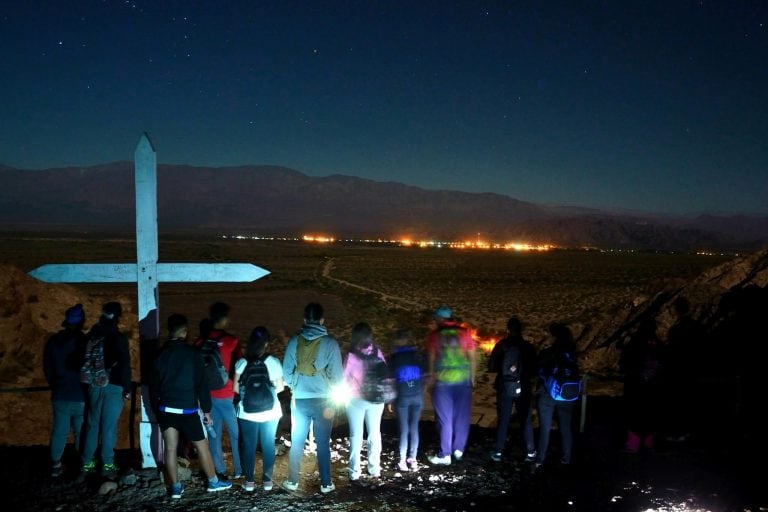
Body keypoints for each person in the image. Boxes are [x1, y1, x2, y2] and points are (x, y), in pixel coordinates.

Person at [152, 313, 232, 498]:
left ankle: (175, 488)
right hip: (188, 409)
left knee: (170, 448)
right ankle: (213, 481)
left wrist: (158, 407)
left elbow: (154, 385)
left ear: (169, 331)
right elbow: (202, 385)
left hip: (166, 408)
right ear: (185, 332)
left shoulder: (160, 355)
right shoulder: (193, 354)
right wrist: (207, 410)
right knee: (202, 446)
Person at [281, 302, 343, 494]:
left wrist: (296, 386)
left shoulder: (294, 341)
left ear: (305, 320)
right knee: (323, 442)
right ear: (322, 320)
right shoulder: (331, 343)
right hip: (324, 401)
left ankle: (292, 481)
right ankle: (325, 483)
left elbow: (286, 372)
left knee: (297, 440)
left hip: (300, 399)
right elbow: (337, 376)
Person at [81, 301, 131, 476]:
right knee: (109, 427)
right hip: (114, 386)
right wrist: (127, 387)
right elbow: (125, 364)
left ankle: (87, 463)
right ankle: (107, 464)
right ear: (118, 317)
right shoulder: (119, 337)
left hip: (94, 384)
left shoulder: (92, 335)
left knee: (92, 425)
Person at [233, 326, 284, 492]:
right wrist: (266, 393)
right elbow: (280, 387)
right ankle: (267, 482)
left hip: (247, 412)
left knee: (249, 445)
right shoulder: (273, 362)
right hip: (271, 411)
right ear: (266, 344)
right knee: (268, 444)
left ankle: (249, 482)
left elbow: (235, 388)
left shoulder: (242, 362)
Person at [195, 302, 243, 479]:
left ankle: (220, 470)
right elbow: (239, 367)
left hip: (208, 397)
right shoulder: (232, 341)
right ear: (224, 319)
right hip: (227, 395)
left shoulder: (200, 342)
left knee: (214, 436)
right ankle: (239, 470)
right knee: (235, 435)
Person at [425, 306, 477, 465]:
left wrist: (431, 379)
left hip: (443, 381)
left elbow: (431, 359)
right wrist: (472, 378)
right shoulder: (465, 333)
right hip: (463, 379)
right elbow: (472, 358)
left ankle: (445, 454)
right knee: (462, 416)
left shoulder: (434, 336)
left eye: (436, 319)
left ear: (441, 319)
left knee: (444, 418)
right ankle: (459, 450)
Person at [43, 303, 88, 477]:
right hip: (81, 394)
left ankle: (55, 465)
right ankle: (85, 464)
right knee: (82, 431)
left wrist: (55, 385)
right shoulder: (84, 341)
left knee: (59, 431)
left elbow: (48, 368)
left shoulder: (53, 342)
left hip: (60, 393)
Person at [487, 316, 537, 463]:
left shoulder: (502, 345)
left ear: (507, 329)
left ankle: (498, 452)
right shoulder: (528, 347)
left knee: (503, 420)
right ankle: (530, 451)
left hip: (505, 387)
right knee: (525, 420)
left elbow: (491, 366)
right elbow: (534, 369)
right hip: (524, 387)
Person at [343, 322, 389, 481]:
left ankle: (354, 472)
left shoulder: (351, 355)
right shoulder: (378, 352)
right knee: (374, 433)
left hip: (356, 400)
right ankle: (374, 468)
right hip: (376, 399)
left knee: (356, 435)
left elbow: (344, 379)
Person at [534, 322, 580, 469]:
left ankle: (540, 459)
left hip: (548, 394)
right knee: (566, 427)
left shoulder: (549, 353)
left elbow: (537, 366)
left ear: (554, 337)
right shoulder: (572, 354)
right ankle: (566, 458)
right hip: (568, 394)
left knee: (545, 428)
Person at [663, 296, 706, 443]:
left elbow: (671, 350)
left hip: (680, 370)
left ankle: (681, 433)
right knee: (689, 403)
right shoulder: (697, 327)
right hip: (691, 370)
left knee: (680, 403)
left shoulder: (677, 329)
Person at [619, 320, 664, 453]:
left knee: (634, 413)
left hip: (635, 386)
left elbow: (624, 364)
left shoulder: (634, 343)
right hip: (653, 387)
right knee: (651, 414)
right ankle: (649, 443)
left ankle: (633, 444)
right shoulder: (659, 345)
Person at [388, 327, 427, 472]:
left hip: (402, 397)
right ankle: (413, 459)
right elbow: (424, 375)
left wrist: (390, 400)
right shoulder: (417, 355)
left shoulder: (394, 358)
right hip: (417, 395)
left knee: (404, 429)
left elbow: (391, 381)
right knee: (414, 427)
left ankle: (402, 461)